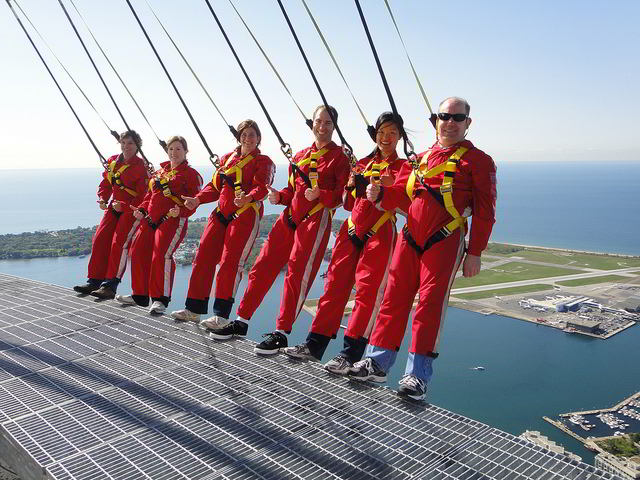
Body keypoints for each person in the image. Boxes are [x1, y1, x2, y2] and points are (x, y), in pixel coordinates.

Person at [348, 97, 497, 401]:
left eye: (458, 118)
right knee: (392, 299)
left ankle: (417, 375)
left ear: (468, 123)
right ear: (436, 121)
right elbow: (401, 201)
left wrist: (475, 252)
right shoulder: (418, 160)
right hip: (410, 237)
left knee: (429, 304)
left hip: (445, 238)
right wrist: (379, 193)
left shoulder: (478, 161)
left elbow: (485, 211)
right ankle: (377, 362)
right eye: (445, 116)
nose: (451, 122)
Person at [207, 105, 350, 354]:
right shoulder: (302, 155)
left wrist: (322, 194)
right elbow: (293, 192)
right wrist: (280, 197)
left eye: (328, 123)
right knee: (261, 267)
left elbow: (343, 198)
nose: (322, 126)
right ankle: (241, 321)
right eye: (319, 121)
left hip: (315, 220)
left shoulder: (340, 157)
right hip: (289, 217)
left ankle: (282, 333)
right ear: (312, 124)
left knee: (296, 275)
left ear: (334, 126)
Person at [282, 112, 406, 373]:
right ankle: (314, 345)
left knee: (367, 293)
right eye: (382, 132)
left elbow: (406, 204)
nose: (386, 138)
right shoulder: (361, 163)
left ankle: (350, 354)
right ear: (375, 135)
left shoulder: (403, 168)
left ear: (399, 137)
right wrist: (352, 185)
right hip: (350, 231)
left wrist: (387, 189)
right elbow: (349, 204)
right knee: (334, 288)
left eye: (392, 133)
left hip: (380, 231)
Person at [170, 120, 275, 325]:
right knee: (202, 258)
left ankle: (221, 315)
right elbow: (215, 186)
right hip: (220, 213)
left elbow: (262, 186)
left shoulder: (263, 161)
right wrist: (198, 199)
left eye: (252, 134)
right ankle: (193, 308)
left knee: (229, 263)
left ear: (258, 138)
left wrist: (248, 198)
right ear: (238, 137)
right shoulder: (228, 159)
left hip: (244, 215)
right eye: (244, 134)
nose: (247, 138)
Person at [115, 135, 202, 313]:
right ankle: (139, 295)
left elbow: (193, 201)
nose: (174, 152)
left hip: (171, 220)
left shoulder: (191, 175)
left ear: (186, 151)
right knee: (137, 252)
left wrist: (182, 212)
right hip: (150, 220)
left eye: (178, 149)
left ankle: (160, 299)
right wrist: (141, 209)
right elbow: (150, 196)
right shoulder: (160, 172)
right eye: (171, 149)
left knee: (161, 256)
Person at [74, 130, 149, 299]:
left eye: (130, 143)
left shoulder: (141, 167)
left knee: (119, 244)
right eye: (123, 143)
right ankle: (94, 280)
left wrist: (124, 206)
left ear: (137, 146)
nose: (126, 146)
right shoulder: (113, 162)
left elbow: (144, 195)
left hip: (131, 209)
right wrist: (102, 198)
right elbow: (107, 183)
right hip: (114, 207)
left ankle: (110, 285)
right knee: (100, 240)